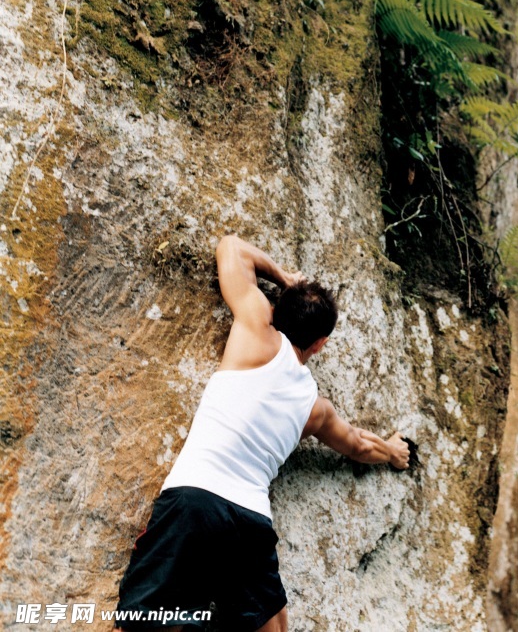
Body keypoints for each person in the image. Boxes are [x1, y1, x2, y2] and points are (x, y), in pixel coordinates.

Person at [114, 234, 410, 631]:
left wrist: (285, 276)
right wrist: (392, 451)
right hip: (249, 519)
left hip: (194, 497)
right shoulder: (316, 410)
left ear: (276, 308)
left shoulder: (255, 325)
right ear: (319, 345)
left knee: (144, 619)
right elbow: (357, 444)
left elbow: (231, 248)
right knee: (272, 626)